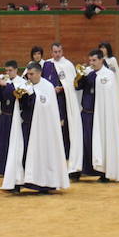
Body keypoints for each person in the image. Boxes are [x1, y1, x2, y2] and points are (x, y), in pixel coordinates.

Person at [2, 62, 70, 194]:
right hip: (27, 125)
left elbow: (48, 109)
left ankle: (43, 184)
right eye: (28, 74)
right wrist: (25, 96)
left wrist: (33, 96)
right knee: (22, 152)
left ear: (39, 73)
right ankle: (18, 182)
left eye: (32, 74)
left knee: (41, 155)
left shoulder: (48, 87)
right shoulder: (24, 85)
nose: (29, 76)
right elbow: (18, 103)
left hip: (42, 129)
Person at [75, 49, 119, 182]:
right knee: (85, 143)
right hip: (87, 114)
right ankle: (84, 169)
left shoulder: (108, 75)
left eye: (94, 60)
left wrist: (91, 78)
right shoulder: (88, 72)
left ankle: (104, 171)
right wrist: (80, 77)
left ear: (101, 60)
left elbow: (104, 92)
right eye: (90, 60)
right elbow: (78, 87)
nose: (91, 63)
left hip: (101, 117)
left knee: (101, 143)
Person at [41, 42, 83, 177]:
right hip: (49, 101)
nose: (57, 54)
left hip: (62, 100)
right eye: (55, 52)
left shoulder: (68, 65)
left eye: (59, 51)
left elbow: (72, 85)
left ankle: (65, 151)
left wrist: (62, 88)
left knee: (63, 126)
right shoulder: (46, 64)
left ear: (62, 51)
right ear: (51, 52)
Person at [0, 61, 26, 178]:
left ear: (16, 70)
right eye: (6, 71)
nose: (8, 73)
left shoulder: (21, 82)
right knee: (0, 142)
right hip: (4, 116)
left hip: (15, 117)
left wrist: (6, 86)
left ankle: (12, 168)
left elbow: (15, 95)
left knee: (12, 143)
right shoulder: (4, 81)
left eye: (10, 70)